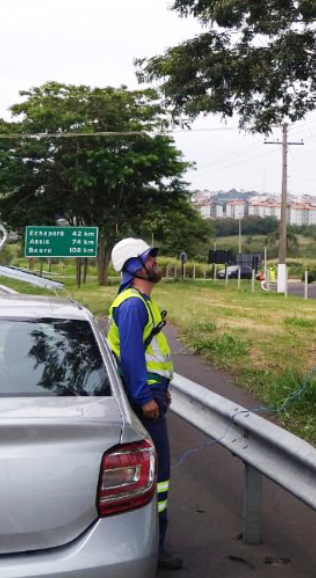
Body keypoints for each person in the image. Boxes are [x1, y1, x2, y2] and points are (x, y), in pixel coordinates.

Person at [106, 238, 182, 571]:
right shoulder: (133, 304)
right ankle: (154, 545)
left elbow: (148, 355)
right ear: (133, 265)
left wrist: (159, 389)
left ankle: (152, 541)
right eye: (150, 257)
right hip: (143, 398)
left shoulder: (142, 302)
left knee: (153, 474)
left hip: (151, 392)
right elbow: (133, 357)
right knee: (157, 475)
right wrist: (144, 397)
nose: (156, 260)